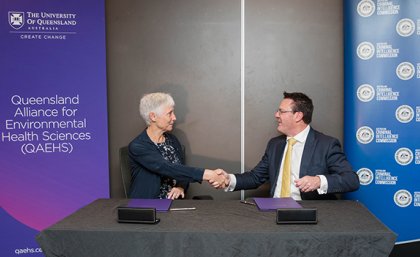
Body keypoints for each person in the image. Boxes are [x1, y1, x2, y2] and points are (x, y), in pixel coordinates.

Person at [214, 92, 359, 200]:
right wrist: (228, 179)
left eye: (281, 111)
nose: (276, 115)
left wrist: (319, 181)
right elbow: (255, 177)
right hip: (272, 213)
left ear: (298, 116)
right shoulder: (275, 145)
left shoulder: (326, 144)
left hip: (308, 216)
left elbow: (351, 180)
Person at [128, 92, 225, 199]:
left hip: (175, 205)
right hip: (148, 208)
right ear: (153, 116)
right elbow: (167, 168)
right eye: (169, 113)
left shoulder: (172, 140)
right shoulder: (138, 146)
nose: (174, 118)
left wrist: (180, 187)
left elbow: (181, 170)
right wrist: (208, 175)